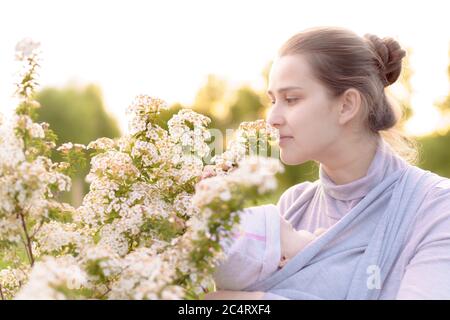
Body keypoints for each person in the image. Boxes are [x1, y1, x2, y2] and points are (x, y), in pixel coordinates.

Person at [205, 26, 450, 300]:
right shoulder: (294, 205)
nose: (272, 117)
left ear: (346, 105)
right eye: (273, 100)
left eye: (291, 99)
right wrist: (209, 222)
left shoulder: (437, 208)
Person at [212, 204, 327, 291]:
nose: (302, 230)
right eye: (293, 229)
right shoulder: (296, 289)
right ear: (283, 259)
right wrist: (322, 239)